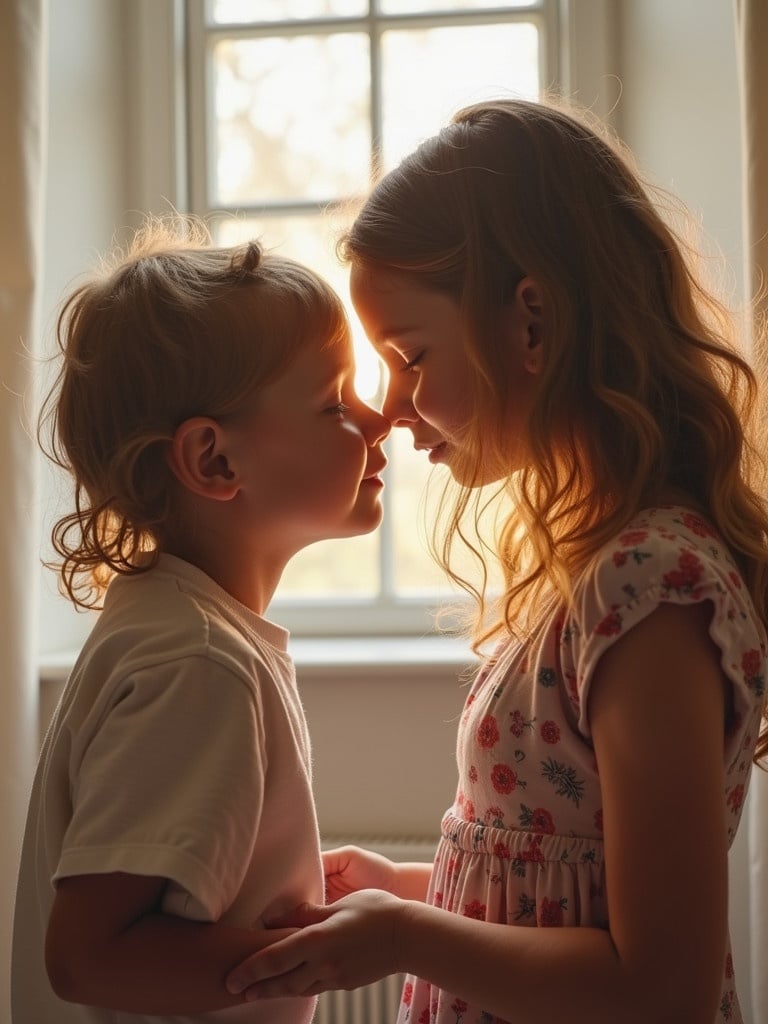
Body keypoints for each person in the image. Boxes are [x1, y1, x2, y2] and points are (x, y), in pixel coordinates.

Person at [222, 99, 768, 1024]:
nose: (391, 408)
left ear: (532, 322)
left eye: (409, 355)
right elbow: (564, 879)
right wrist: (407, 887)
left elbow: (659, 986)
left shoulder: (653, 593)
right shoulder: (600, 570)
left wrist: (402, 938)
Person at [11, 216, 390, 1023]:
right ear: (215, 461)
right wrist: (340, 950)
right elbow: (89, 957)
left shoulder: (181, 629)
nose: (380, 418)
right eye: (334, 401)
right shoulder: (199, 663)